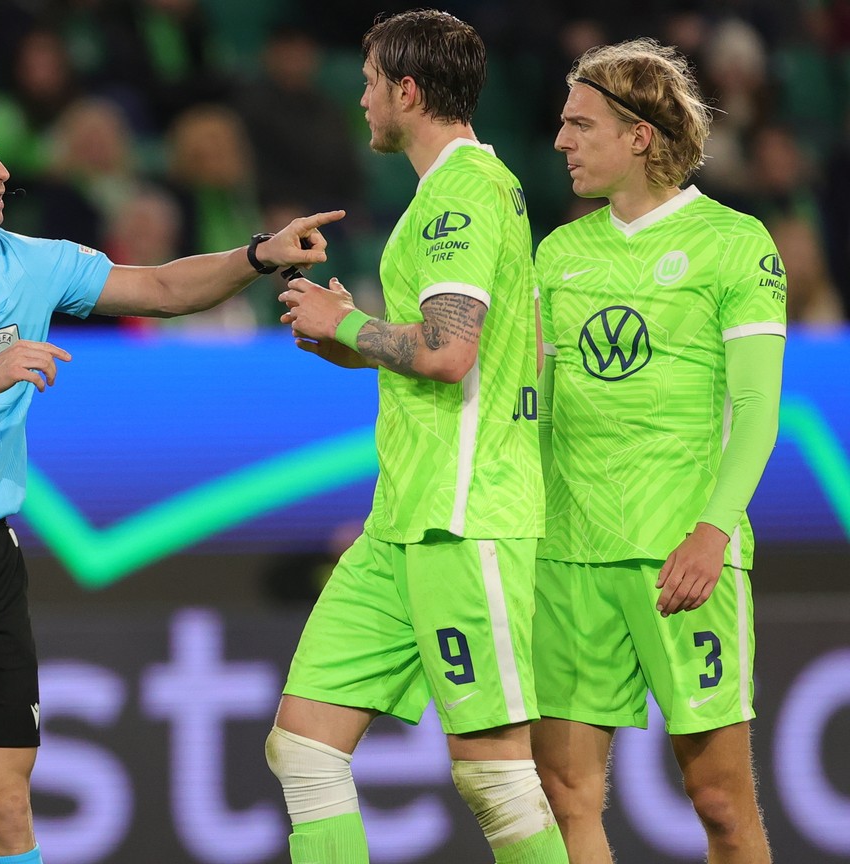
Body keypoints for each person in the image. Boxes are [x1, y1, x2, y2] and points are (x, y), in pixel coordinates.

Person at [0, 97, 338, 864]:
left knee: (7, 804)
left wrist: (257, 256)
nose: (2, 169)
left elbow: (161, 289)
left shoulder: (31, 261)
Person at [272, 10, 569, 864]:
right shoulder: (447, 194)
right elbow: (452, 357)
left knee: (495, 775)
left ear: (406, 89)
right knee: (304, 745)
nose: (360, 99)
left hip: (466, 516)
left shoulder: (462, 192)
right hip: (403, 518)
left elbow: (446, 351)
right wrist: (349, 345)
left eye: (369, 82)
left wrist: (350, 319)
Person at [530, 39, 782, 864]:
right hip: (569, 558)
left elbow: (756, 411)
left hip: (681, 558)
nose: (561, 140)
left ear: (639, 134)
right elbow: (529, 409)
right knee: (564, 797)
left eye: (579, 123)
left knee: (718, 803)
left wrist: (713, 532)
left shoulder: (734, 243)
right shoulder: (559, 254)